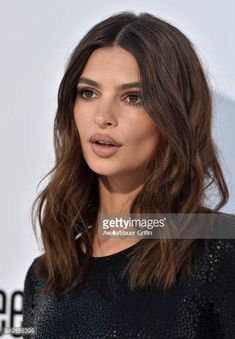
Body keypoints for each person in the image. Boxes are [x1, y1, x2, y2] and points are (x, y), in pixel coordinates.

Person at [22, 11, 235, 339]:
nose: (103, 116)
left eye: (132, 97)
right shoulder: (46, 274)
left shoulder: (219, 251)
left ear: (175, 115)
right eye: (88, 93)